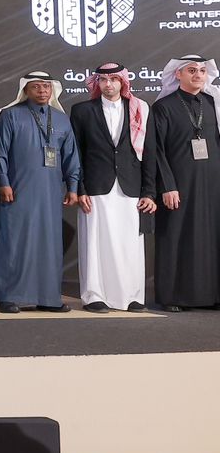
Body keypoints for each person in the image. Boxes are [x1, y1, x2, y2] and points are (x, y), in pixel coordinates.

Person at [0, 71, 80, 313]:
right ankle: (8, 298)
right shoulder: (10, 115)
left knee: (49, 245)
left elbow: (71, 156)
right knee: (14, 242)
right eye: (36, 87)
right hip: (17, 191)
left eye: (46, 86)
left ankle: (48, 298)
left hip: (50, 194)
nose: (42, 91)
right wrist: (3, 182)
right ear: (25, 90)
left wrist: (73, 187)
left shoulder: (61, 119)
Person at [70, 63, 154, 313]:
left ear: (123, 82)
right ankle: (94, 296)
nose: (109, 85)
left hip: (131, 186)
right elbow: (76, 154)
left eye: (114, 80)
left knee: (130, 244)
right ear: (97, 83)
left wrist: (149, 191)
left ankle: (132, 296)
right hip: (96, 186)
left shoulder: (139, 108)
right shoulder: (82, 111)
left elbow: (150, 153)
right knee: (95, 243)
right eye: (104, 80)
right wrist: (80, 188)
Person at [142, 55, 220, 312]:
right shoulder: (163, 107)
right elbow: (156, 150)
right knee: (176, 237)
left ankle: (210, 295)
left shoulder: (212, 103)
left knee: (211, 237)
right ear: (178, 74)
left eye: (202, 71)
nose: (198, 75)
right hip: (178, 185)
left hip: (212, 184)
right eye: (191, 70)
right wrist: (167, 186)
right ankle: (173, 296)